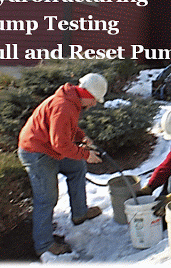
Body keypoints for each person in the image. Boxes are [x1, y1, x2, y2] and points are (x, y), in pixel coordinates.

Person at [18, 73, 108, 256]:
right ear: (88, 95)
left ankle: (79, 213)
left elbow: (66, 128)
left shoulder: (72, 101)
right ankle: (44, 245)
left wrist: (81, 137)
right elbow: (60, 144)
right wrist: (85, 154)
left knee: (77, 167)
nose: (95, 104)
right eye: (95, 100)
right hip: (36, 153)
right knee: (47, 199)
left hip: (47, 147)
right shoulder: (64, 106)